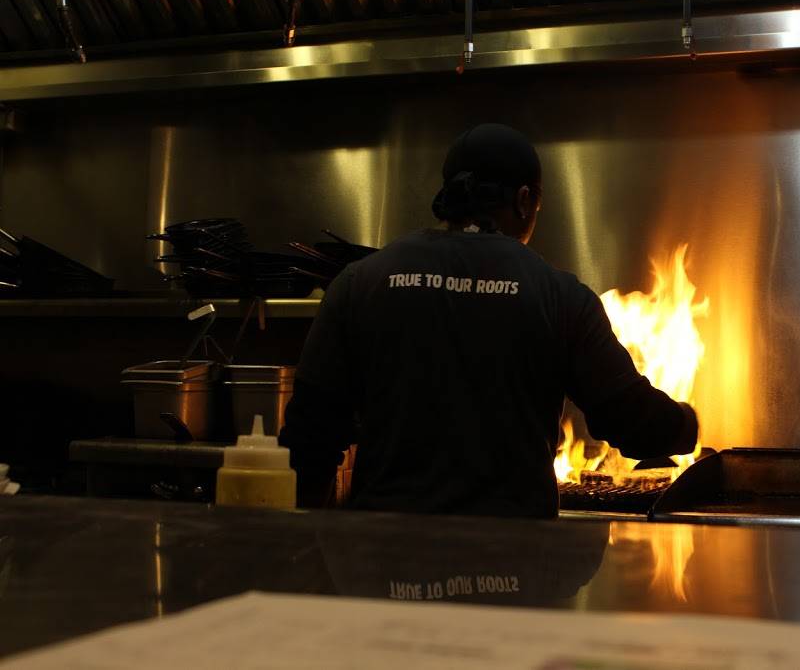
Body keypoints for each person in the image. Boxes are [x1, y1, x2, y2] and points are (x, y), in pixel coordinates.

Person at [280, 123, 698, 518]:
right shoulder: (559, 296)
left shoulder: (359, 283)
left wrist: (306, 543)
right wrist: (686, 424)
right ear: (524, 200)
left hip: (384, 552)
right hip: (515, 558)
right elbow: (631, 421)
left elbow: (309, 435)